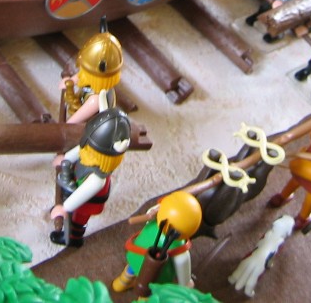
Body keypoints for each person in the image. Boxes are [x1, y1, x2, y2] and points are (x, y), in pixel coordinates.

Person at [50, 107, 132, 248]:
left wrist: (65, 208)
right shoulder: (91, 149)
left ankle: (73, 238)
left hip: (88, 202)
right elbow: (82, 149)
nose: (88, 147)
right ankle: (68, 208)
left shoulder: (97, 179)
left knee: (78, 220)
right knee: (71, 204)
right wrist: (66, 159)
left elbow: (83, 193)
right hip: (79, 181)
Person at [112, 191, 203, 295]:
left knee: (133, 267)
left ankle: (120, 283)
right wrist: (186, 284)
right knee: (149, 288)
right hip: (156, 275)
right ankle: (143, 298)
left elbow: (152, 212)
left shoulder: (152, 225)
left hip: (136, 258)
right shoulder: (179, 247)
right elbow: (182, 266)